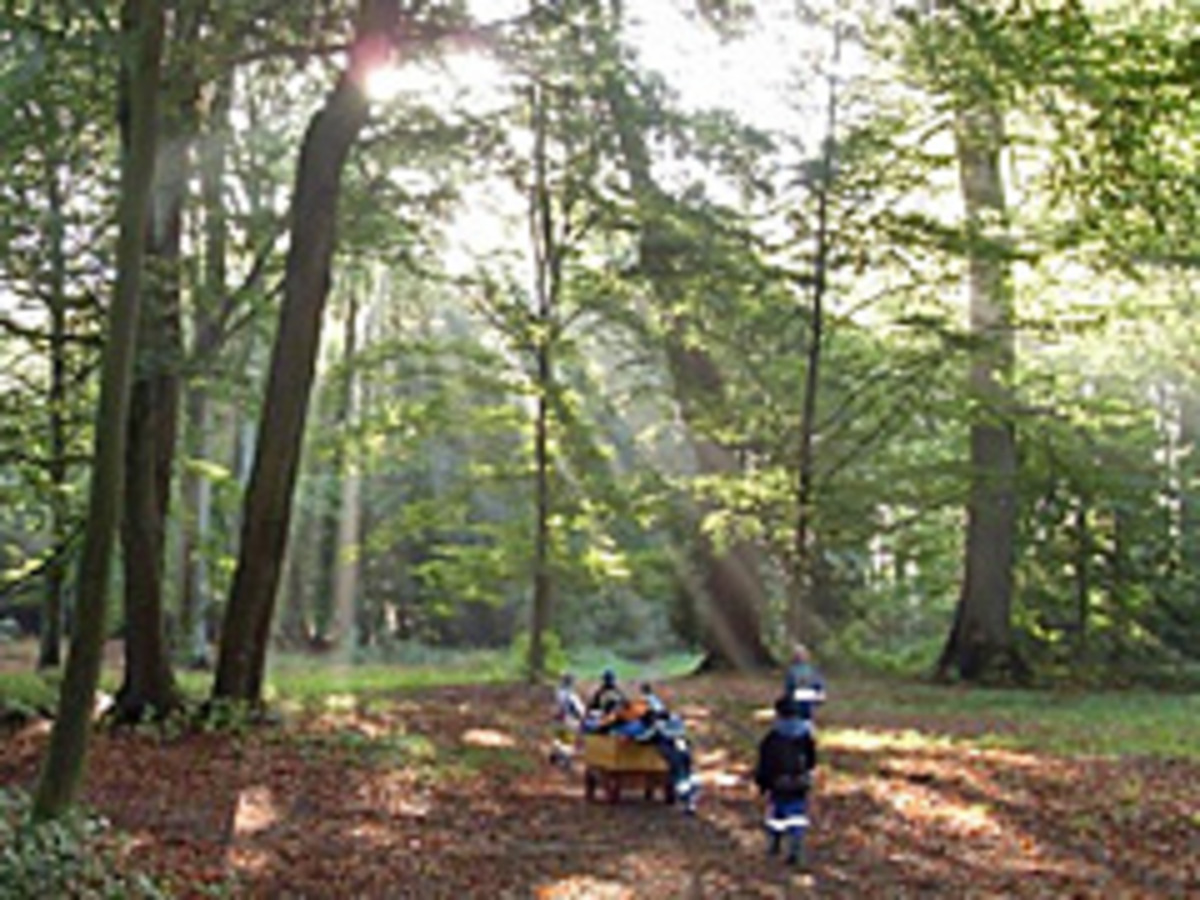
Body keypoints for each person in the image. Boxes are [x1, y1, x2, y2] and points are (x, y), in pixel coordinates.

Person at [754, 696, 818, 866]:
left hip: (778, 783)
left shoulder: (772, 738)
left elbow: (765, 763)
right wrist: (809, 773)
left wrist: (762, 783)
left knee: (777, 813)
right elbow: (811, 759)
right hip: (800, 782)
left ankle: (775, 843)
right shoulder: (805, 735)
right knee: (797, 812)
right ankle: (796, 843)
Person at [782, 643, 826, 724]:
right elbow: (789, 689)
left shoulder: (812, 670)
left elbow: (819, 685)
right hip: (798, 701)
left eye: (802, 654)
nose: (800, 656)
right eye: (798, 654)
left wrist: (819, 694)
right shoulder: (792, 671)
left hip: (805, 700)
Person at [550, 672, 585, 768]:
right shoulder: (571, 695)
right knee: (567, 739)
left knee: (560, 736)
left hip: (559, 717)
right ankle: (565, 760)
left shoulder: (559, 692)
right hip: (569, 718)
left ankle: (556, 755)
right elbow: (579, 709)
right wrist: (582, 715)